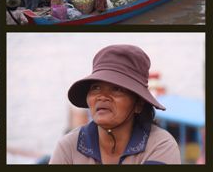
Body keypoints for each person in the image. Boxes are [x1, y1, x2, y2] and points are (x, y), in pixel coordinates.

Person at [50, 45, 181, 164]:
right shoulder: (68, 146)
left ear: (138, 104)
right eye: (96, 88)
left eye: (117, 89)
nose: (102, 96)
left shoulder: (160, 145)